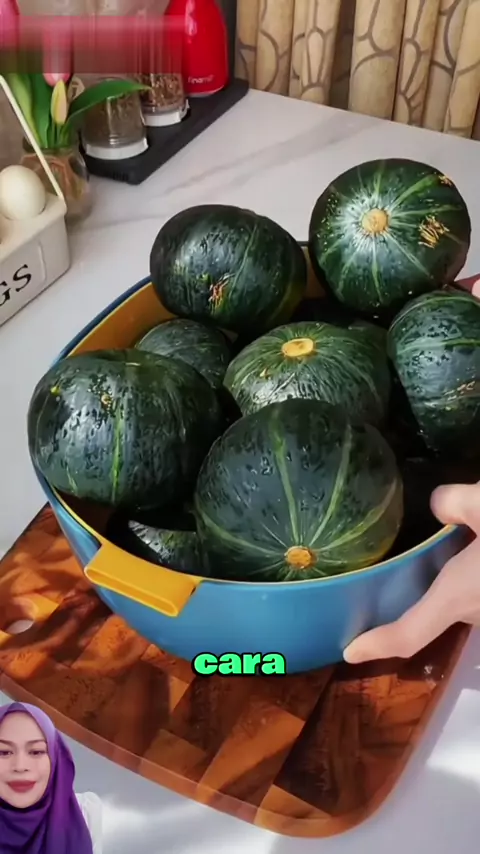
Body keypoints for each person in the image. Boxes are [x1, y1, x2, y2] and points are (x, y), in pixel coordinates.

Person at [0, 701, 102, 854]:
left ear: (56, 757)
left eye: (36, 752)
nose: (20, 766)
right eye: (4, 752)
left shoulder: (85, 814)